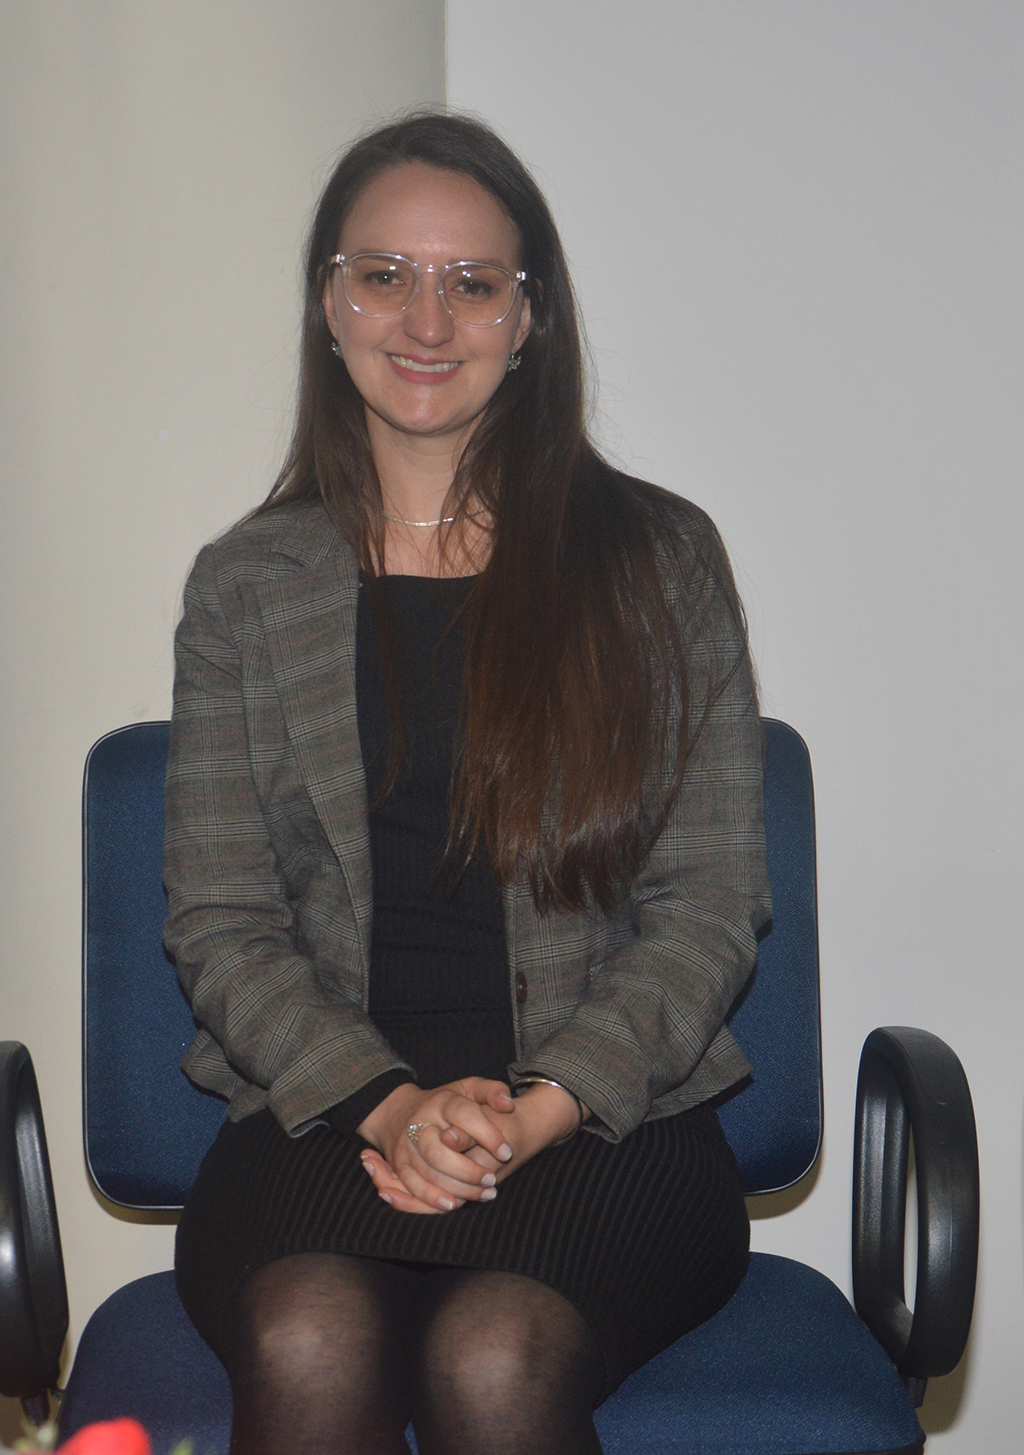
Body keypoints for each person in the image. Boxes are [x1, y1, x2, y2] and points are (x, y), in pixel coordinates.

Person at [164, 111, 771, 1455]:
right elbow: (221, 920)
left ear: (529, 315)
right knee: (309, 1335)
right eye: (384, 275)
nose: (427, 320)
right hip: (324, 1111)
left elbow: (710, 906)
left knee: (494, 1356)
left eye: (473, 282)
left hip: (605, 1121)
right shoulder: (245, 588)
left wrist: (536, 1110)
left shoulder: (658, 565)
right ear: (327, 302)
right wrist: (392, 1106)